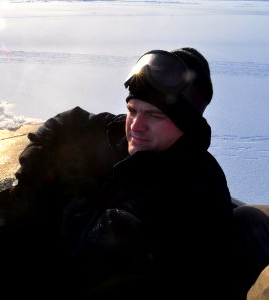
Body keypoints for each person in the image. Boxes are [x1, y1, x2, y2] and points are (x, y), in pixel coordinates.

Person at [62, 48, 235, 299]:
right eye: (133, 110)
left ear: (185, 125)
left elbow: (84, 254)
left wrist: (59, 187)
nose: (135, 126)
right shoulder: (148, 147)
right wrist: (42, 148)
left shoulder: (189, 189)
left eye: (154, 115)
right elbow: (76, 121)